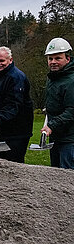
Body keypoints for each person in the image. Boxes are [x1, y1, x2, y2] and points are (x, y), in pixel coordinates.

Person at [0, 46, 33, 163]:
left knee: (13, 166)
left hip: (16, 133)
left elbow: (13, 105)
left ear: (10, 60)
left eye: (2, 61)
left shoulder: (17, 78)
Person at [42, 37, 74, 169]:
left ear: (68, 58)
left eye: (58, 58)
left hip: (70, 140)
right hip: (57, 137)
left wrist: (52, 125)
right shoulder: (54, 78)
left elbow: (71, 111)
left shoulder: (71, 80)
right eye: (50, 59)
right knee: (56, 178)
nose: (53, 62)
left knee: (68, 179)